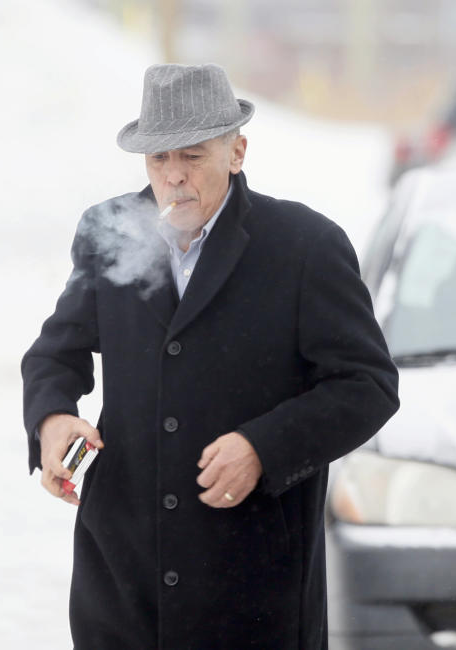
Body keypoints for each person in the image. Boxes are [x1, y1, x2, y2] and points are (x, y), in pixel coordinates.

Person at [22, 63, 399, 650]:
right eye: (158, 160)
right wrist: (52, 419)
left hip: (252, 584)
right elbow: (56, 353)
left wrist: (263, 447)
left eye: (192, 157)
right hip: (121, 579)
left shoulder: (305, 247)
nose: (173, 178)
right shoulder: (108, 230)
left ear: (237, 151)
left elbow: (366, 385)